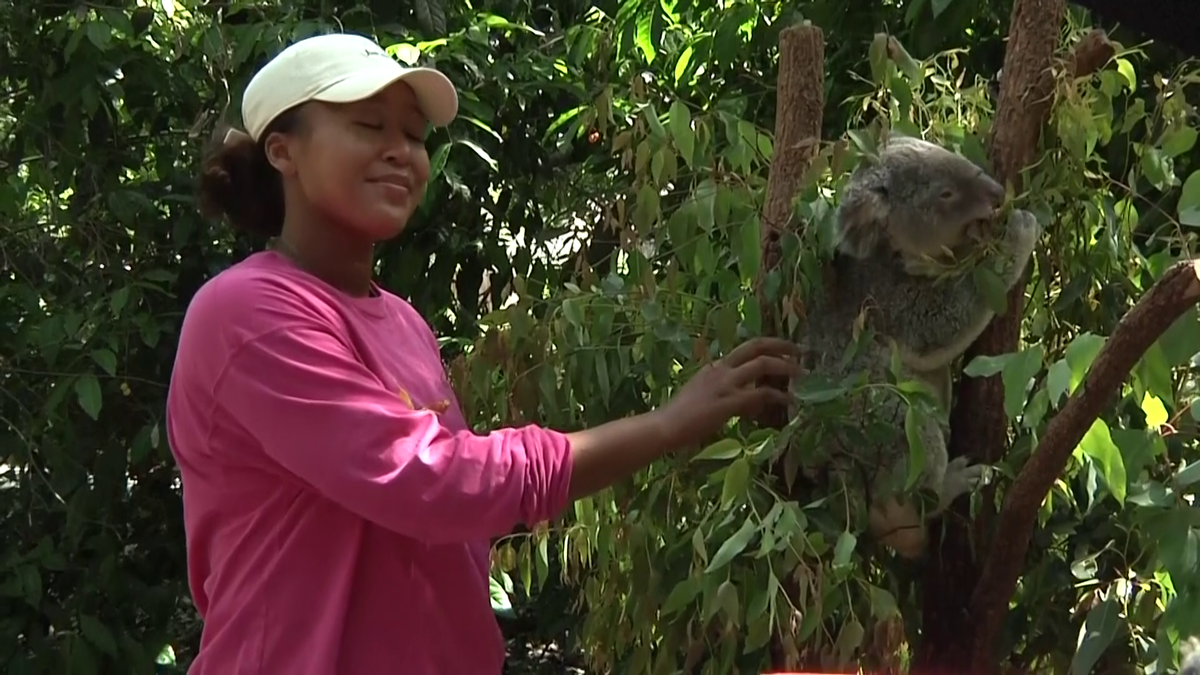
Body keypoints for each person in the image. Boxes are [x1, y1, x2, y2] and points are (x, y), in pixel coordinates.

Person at [166, 32, 800, 675]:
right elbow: (435, 483)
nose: (401, 152)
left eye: (414, 136)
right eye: (369, 126)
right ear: (283, 150)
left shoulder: (403, 322)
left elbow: (450, 534)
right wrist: (668, 424)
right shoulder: (247, 313)